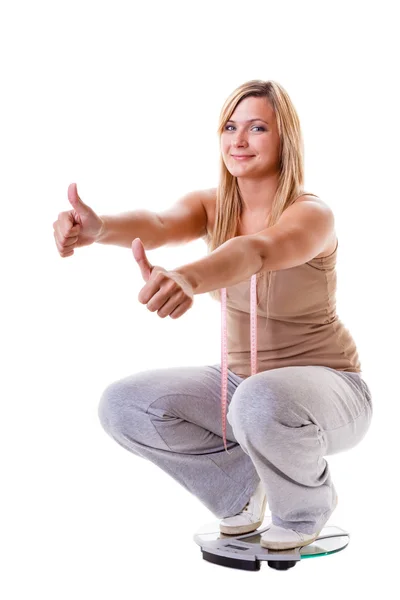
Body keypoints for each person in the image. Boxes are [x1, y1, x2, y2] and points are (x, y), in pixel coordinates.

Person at [53, 79, 373, 551]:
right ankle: (242, 488)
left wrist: (190, 277)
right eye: (230, 126)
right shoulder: (214, 204)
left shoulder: (311, 215)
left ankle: (306, 508)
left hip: (330, 393)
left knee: (257, 401)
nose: (238, 140)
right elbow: (159, 224)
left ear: (285, 139)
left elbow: (259, 251)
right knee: (124, 405)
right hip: (245, 390)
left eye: (257, 128)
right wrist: (99, 229)